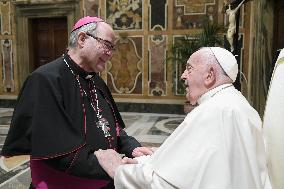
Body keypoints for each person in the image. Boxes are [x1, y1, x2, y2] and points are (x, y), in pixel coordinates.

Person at [1, 16, 152, 189]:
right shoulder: (45, 80)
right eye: (107, 45)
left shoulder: (96, 81)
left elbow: (111, 128)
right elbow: (53, 149)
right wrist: (108, 164)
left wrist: (132, 147)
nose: (110, 53)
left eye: (113, 48)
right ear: (82, 39)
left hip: (105, 182)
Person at [94, 47, 271, 189]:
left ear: (209, 75)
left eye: (189, 68)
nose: (183, 76)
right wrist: (161, 156)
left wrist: (118, 169)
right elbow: (212, 166)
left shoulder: (212, 111)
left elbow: (166, 184)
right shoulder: (237, 103)